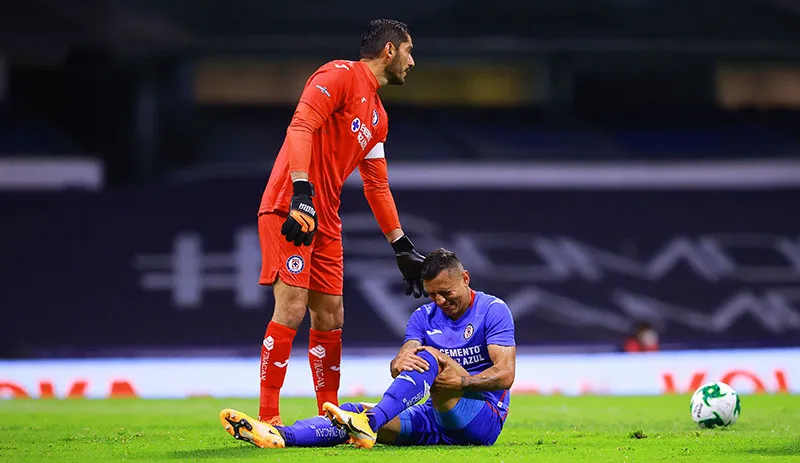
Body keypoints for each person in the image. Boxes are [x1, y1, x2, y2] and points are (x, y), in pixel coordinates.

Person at [254, 18, 427, 426]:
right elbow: (301, 126)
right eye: (408, 51)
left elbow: (376, 186)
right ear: (389, 51)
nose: (412, 62)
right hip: (292, 205)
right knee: (292, 307)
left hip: (326, 218)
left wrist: (400, 245)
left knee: (331, 315)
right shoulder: (339, 75)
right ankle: (268, 416)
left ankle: (328, 417)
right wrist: (301, 192)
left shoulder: (378, 118)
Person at [220, 248, 517, 448]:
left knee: (427, 358)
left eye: (446, 292)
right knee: (348, 413)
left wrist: (462, 382)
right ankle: (280, 435)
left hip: (482, 417)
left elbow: (505, 375)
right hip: (432, 416)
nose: (439, 301)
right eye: (432, 294)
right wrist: (399, 361)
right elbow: (402, 363)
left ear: (465, 279)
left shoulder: (492, 310)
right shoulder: (422, 318)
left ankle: (370, 422)